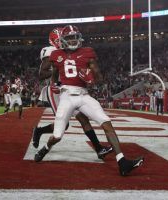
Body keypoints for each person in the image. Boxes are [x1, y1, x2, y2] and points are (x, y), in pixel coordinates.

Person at [34, 25, 144, 176]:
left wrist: (92, 79)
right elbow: (51, 73)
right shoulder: (56, 54)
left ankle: (122, 162)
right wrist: (54, 84)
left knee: (106, 123)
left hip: (84, 95)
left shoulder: (87, 52)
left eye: (75, 37)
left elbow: (99, 76)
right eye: (69, 37)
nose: (73, 40)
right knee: (58, 135)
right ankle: (46, 148)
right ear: (63, 40)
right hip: (66, 97)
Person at [33, 27, 113, 160]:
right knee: (64, 125)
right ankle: (40, 132)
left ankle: (98, 148)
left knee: (84, 119)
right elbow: (41, 75)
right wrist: (60, 69)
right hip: (57, 90)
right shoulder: (52, 51)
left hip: (72, 90)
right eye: (60, 39)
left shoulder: (69, 51)